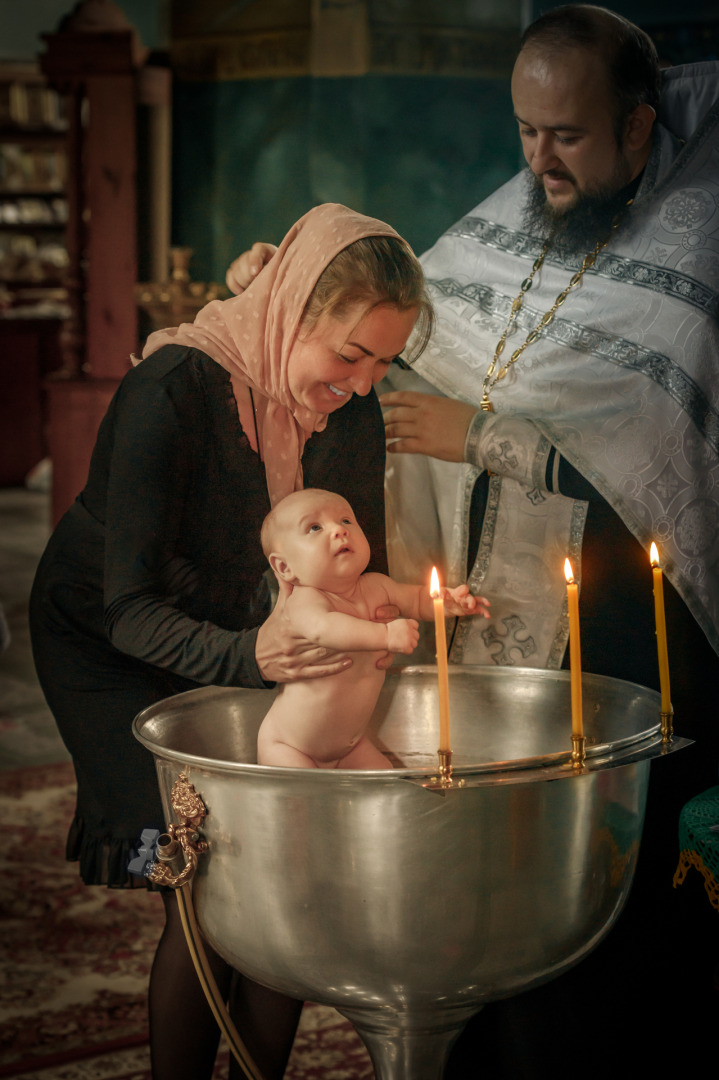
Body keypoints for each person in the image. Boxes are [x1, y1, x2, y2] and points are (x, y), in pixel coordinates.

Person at [227, 8, 719, 1076]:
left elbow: (667, 469)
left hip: (621, 634)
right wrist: (284, 298)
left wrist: (485, 438)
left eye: (568, 136)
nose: (537, 159)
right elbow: (397, 331)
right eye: (523, 130)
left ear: (637, 131)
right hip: (487, 627)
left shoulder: (695, 270)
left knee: (590, 941)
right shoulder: (503, 231)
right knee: (473, 895)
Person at [29, 202, 433, 1080]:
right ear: (292, 312)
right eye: (348, 354)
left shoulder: (352, 410)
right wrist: (248, 658)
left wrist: (383, 626)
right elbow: (128, 603)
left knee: (280, 866)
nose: (364, 384)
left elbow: (355, 565)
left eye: (384, 361)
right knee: (203, 886)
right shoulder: (170, 389)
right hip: (108, 634)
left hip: (247, 617)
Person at [258, 487, 486, 768]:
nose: (339, 531)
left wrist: (447, 604)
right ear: (284, 567)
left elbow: (415, 599)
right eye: (315, 527)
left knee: (386, 788)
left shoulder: (378, 585)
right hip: (291, 748)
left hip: (350, 748)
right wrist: (386, 634)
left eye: (345, 521)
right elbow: (324, 628)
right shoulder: (305, 601)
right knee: (309, 803)